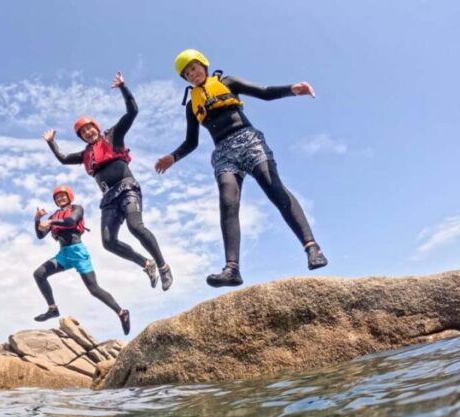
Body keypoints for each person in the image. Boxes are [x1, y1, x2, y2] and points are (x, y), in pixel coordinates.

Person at [155, 49, 328, 288]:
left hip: (248, 140)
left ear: (203, 65)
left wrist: (292, 89)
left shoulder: (228, 82)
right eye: (186, 74)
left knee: (274, 189)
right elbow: (192, 141)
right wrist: (173, 157)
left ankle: (312, 247)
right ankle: (232, 269)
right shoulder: (191, 106)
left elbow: (264, 93)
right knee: (228, 203)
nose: (192, 75)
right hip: (223, 153)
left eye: (194, 68)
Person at [43, 72, 173, 291]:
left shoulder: (113, 136)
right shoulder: (85, 154)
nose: (88, 132)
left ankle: (163, 266)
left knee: (136, 227)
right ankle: (146, 263)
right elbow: (64, 159)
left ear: (96, 127)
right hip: (109, 198)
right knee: (108, 242)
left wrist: (123, 87)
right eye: (83, 132)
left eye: (89, 128)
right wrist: (51, 143)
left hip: (127, 188)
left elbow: (132, 112)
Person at [33, 185, 130, 335]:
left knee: (94, 289)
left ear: (69, 196)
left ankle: (122, 312)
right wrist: (38, 220)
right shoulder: (54, 216)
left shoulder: (76, 208)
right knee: (39, 274)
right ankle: (53, 309)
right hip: (63, 255)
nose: (60, 198)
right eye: (57, 197)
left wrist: (51, 223)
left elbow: (71, 221)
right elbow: (40, 235)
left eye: (63, 196)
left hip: (78, 252)